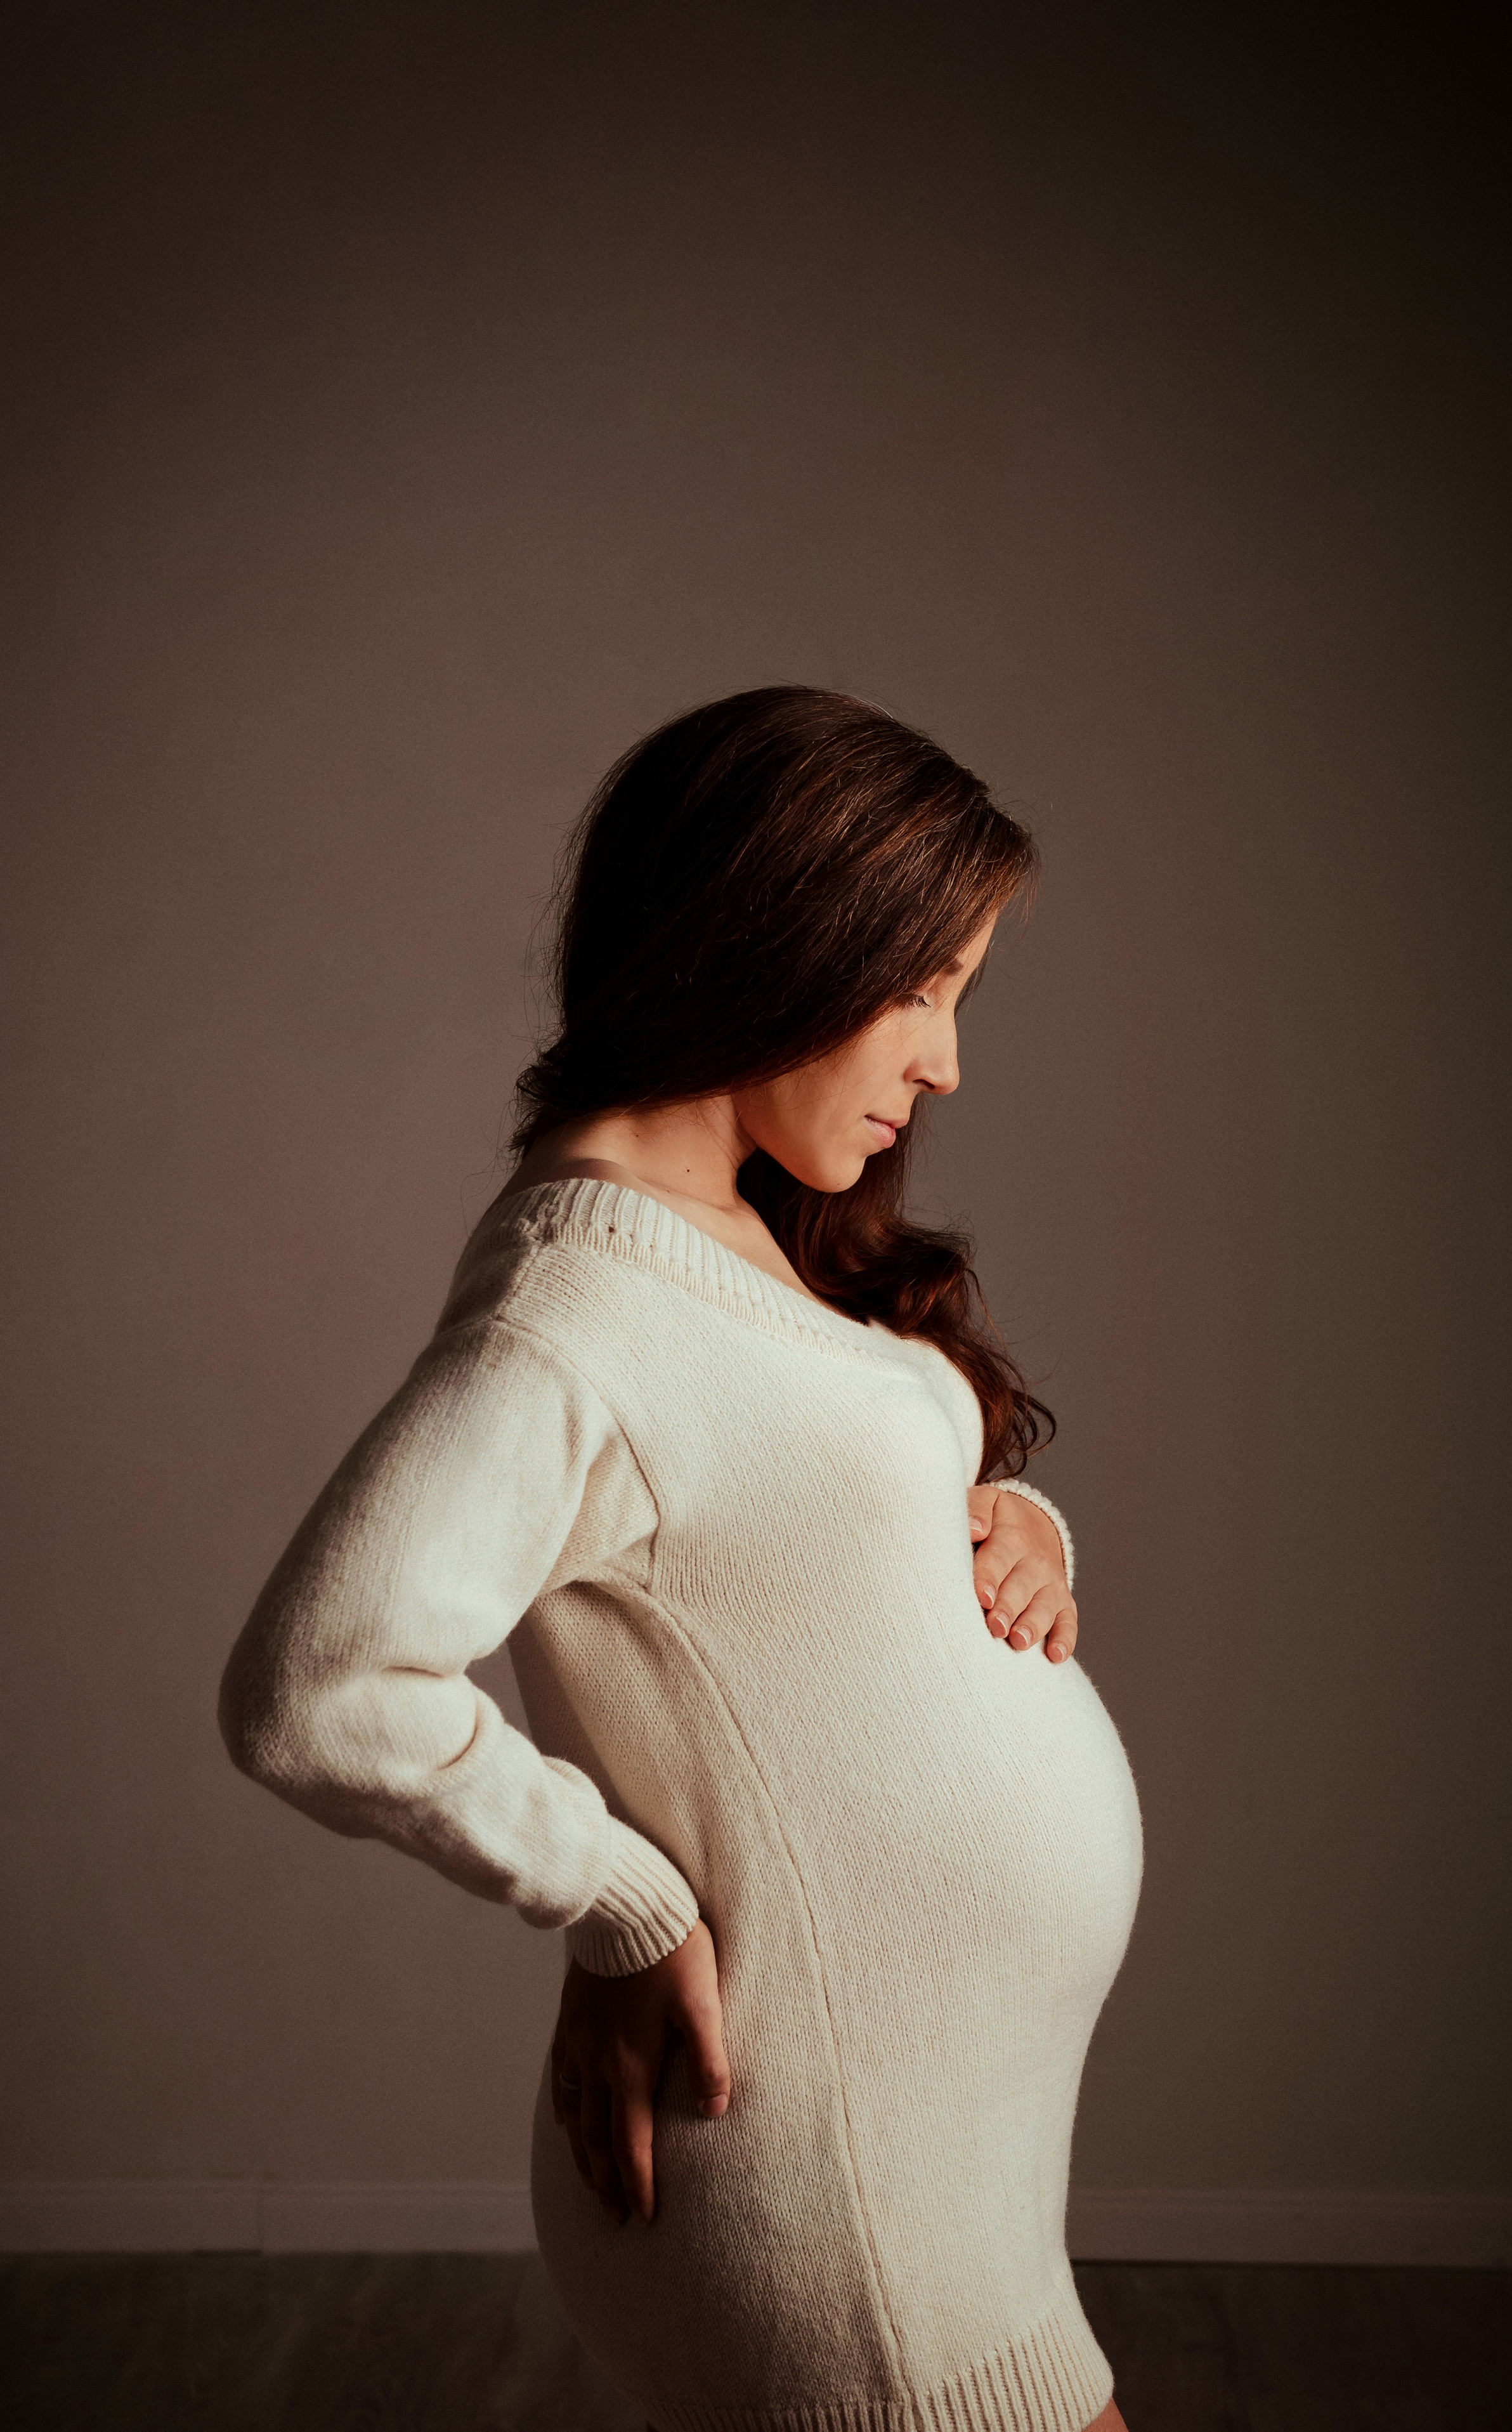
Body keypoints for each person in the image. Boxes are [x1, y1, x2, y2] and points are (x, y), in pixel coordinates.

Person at [220, 687, 1143, 2432]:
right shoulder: (572, 1313)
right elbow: (311, 1685)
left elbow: (806, 1529)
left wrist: (1012, 1528)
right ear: (776, 938)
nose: (945, 1062)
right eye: (920, 990)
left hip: (935, 2164)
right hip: (838, 2202)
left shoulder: (728, 1225)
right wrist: (617, 1901)